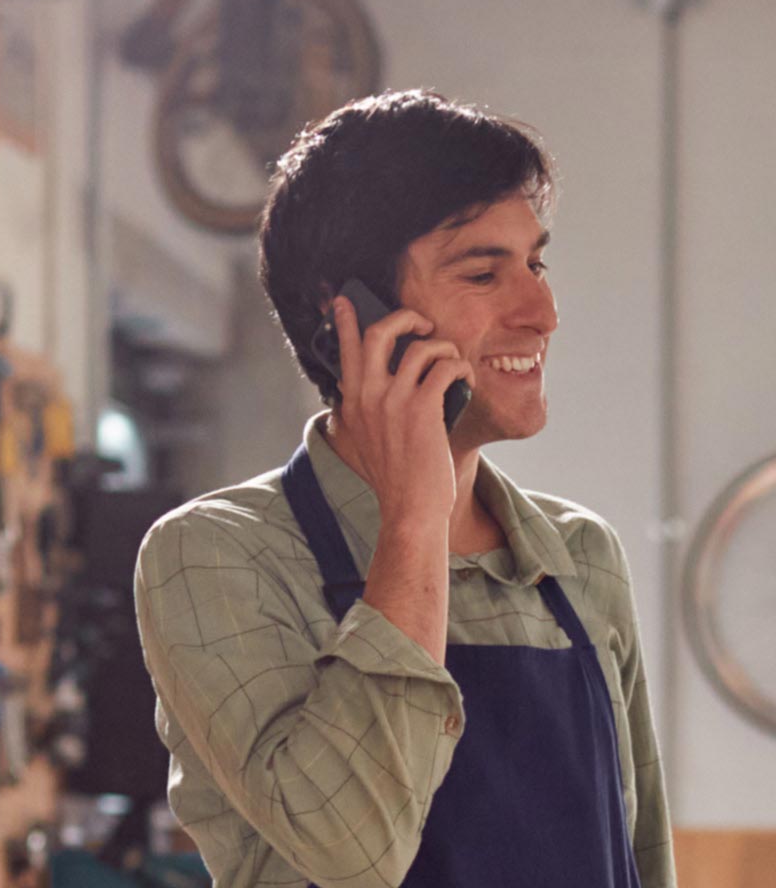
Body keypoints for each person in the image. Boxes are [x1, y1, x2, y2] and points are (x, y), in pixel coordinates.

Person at [134, 90, 669, 888]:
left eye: (536, 263)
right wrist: (416, 517)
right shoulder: (215, 557)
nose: (543, 311)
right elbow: (353, 851)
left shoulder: (580, 557)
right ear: (349, 314)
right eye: (485, 272)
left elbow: (643, 857)